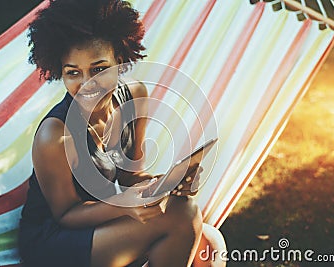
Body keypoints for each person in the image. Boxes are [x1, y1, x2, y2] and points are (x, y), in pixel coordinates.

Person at [18, 0, 205, 266]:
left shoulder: (135, 96)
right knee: (182, 218)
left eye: (99, 69)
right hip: (52, 239)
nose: (87, 84)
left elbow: (130, 175)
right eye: (73, 73)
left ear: (119, 60)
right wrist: (125, 205)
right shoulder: (55, 135)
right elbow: (66, 214)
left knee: (194, 224)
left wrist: (166, 183)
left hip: (100, 221)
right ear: (60, 72)